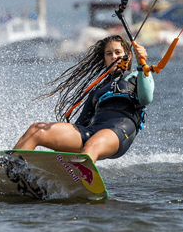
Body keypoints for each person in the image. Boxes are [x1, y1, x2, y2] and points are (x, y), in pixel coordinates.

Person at [14, 35, 154, 163]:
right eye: (109, 53)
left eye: (118, 52)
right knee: (36, 130)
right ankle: (12, 168)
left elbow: (146, 98)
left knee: (92, 145)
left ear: (128, 56)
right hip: (92, 132)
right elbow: (80, 125)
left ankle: (80, 182)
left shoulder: (138, 76)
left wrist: (142, 64)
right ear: (104, 59)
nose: (113, 56)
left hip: (120, 131)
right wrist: (65, 145)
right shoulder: (97, 90)